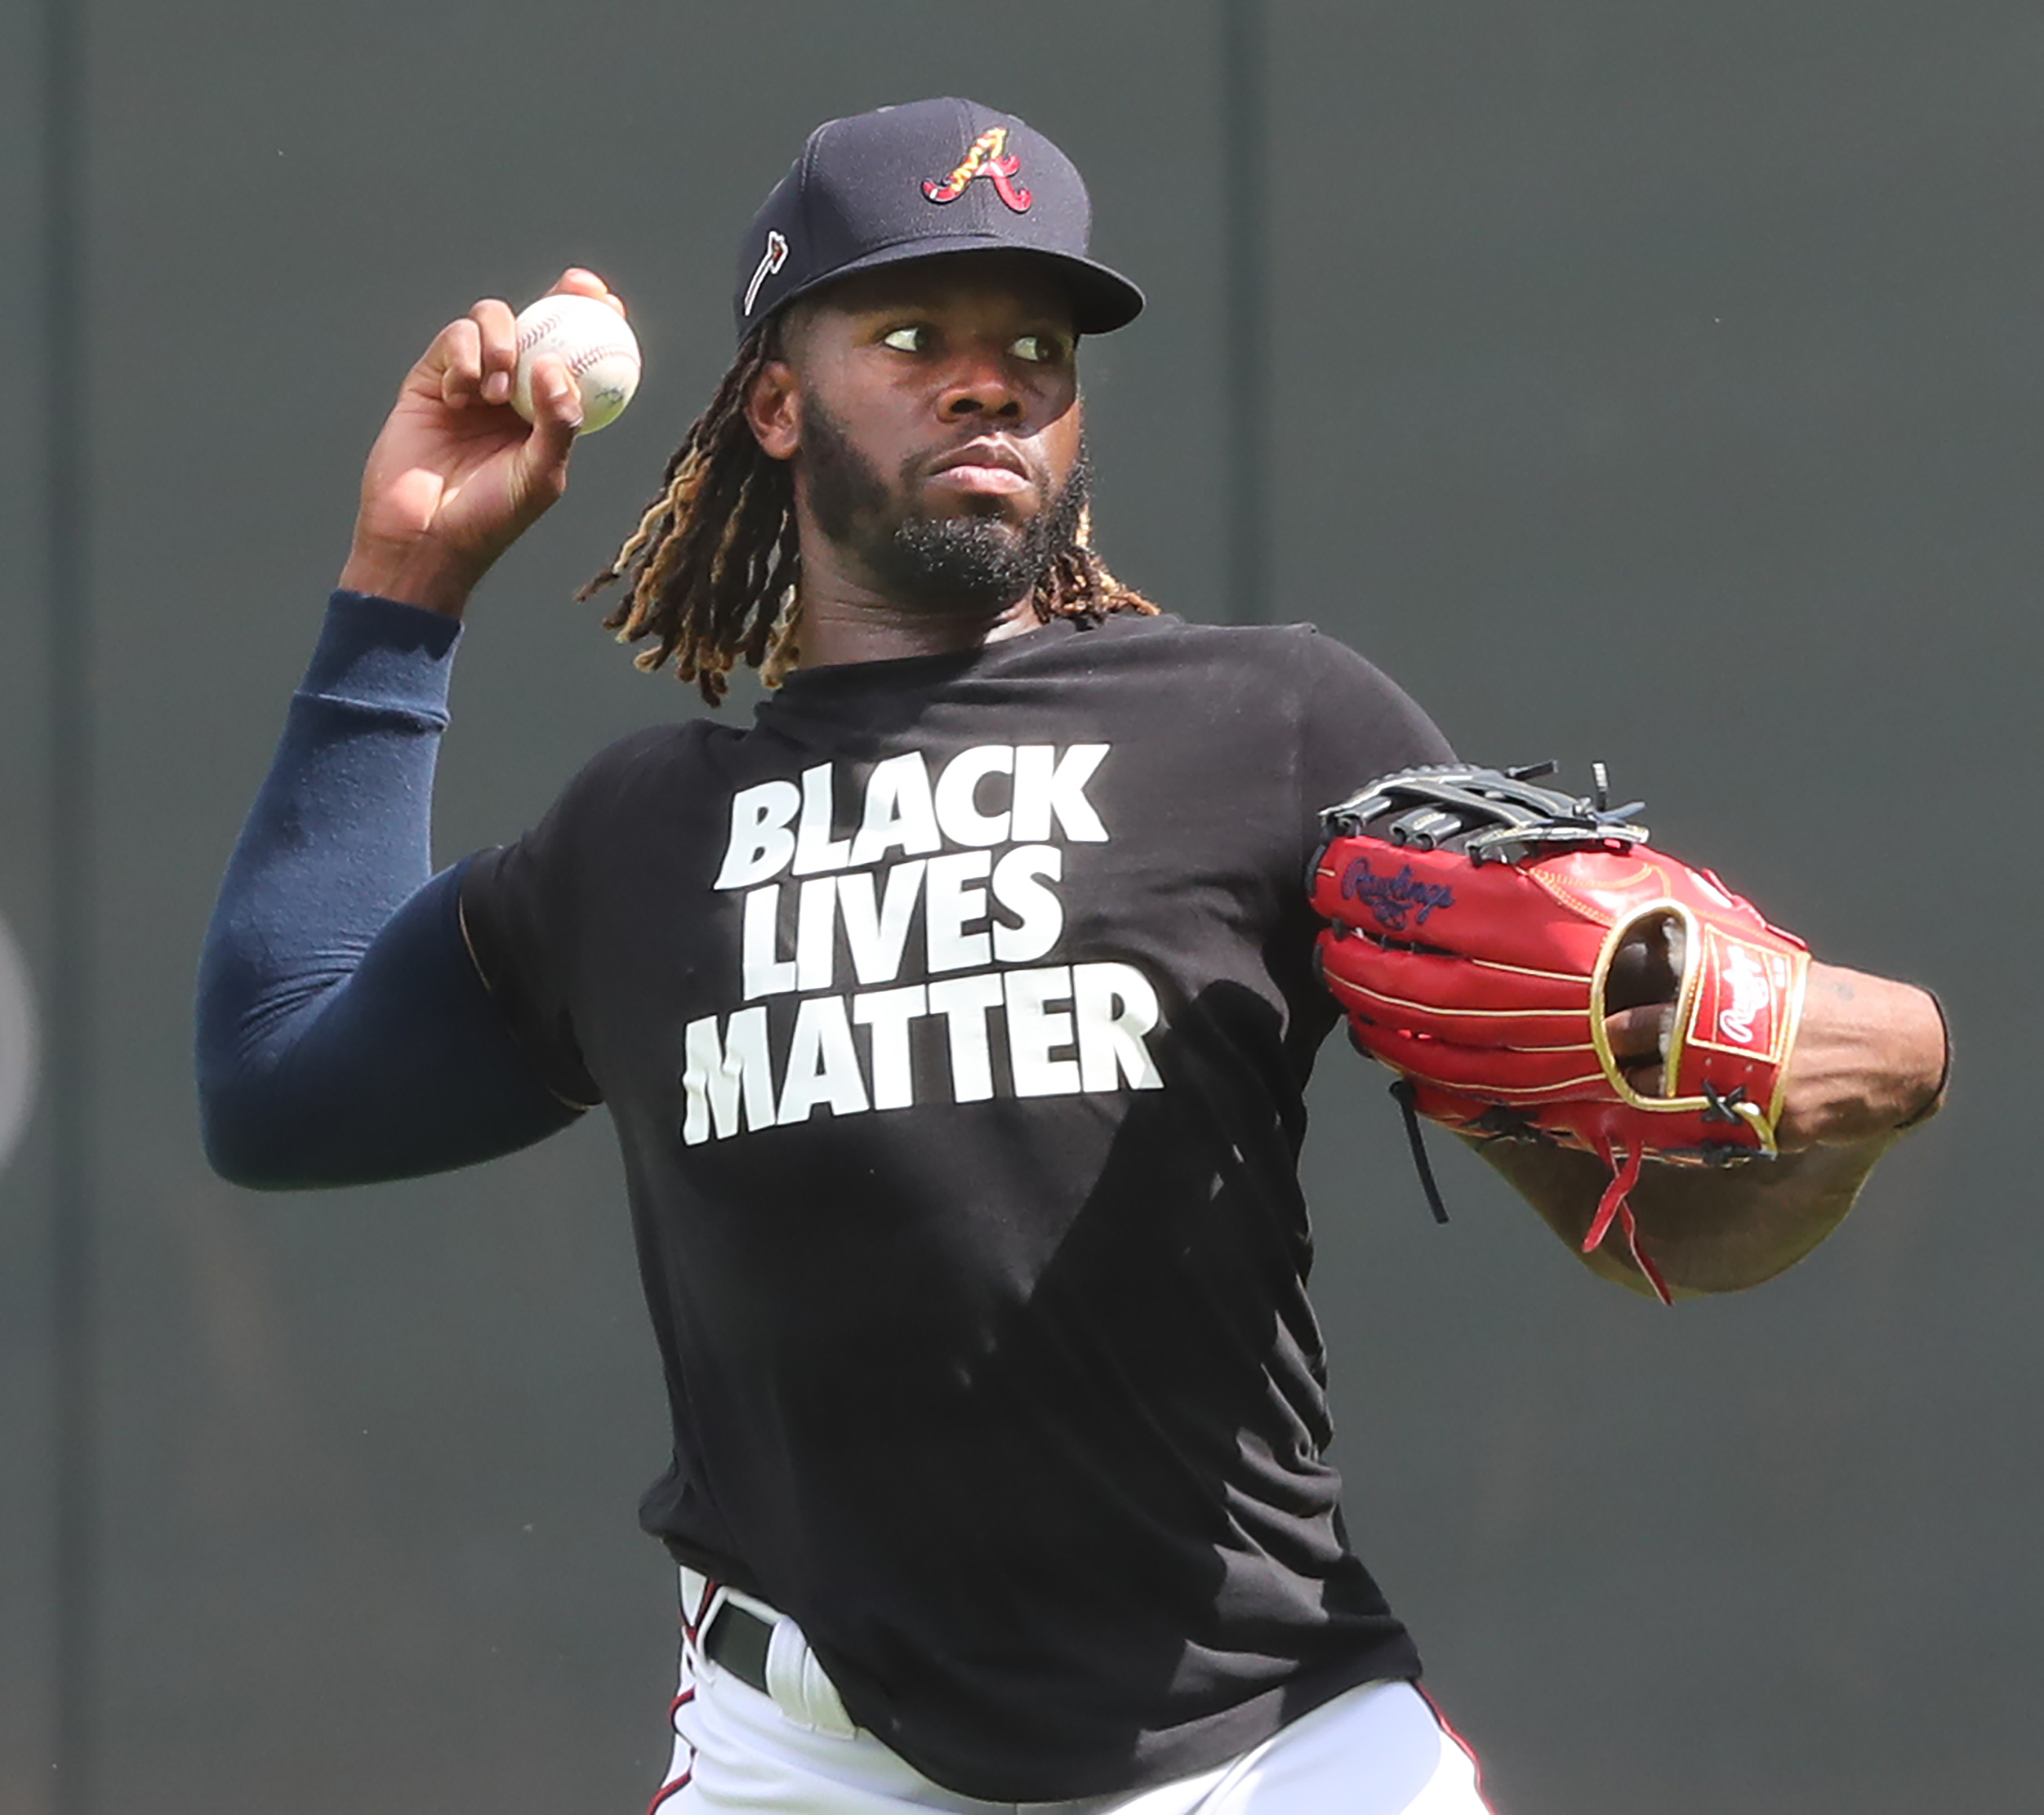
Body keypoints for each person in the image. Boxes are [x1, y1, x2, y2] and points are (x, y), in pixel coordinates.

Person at [197, 98, 1947, 1814]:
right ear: (775, 406)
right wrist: (404, 577)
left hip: (1267, 1747)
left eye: (1037, 342)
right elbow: (280, 1083)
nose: (989, 377)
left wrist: (1847, 1101)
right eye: (911, 329)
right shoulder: (641, 834)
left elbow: (1650, 1237)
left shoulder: (1274, 731)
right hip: (808, 1759)